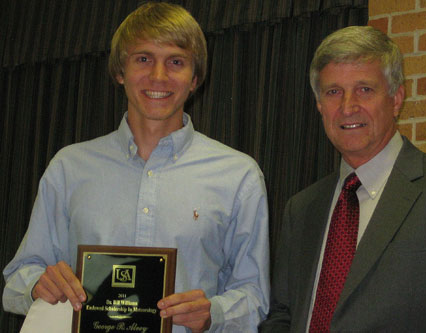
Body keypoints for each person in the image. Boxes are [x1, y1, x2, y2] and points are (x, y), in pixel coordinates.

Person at [3, 3, 269, 332]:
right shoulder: (69, 168)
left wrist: (214, 312)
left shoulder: (239, 176)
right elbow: (17, 279)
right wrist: (37, 285)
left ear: (195, 78)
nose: (158, 76)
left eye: (176, 61)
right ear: (120, 71)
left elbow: (256, 296)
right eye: (143, 59)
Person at [259, 25, 426, 332]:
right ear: (319, 105)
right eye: (334, 92)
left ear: (396, 99)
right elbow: (283, 314)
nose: (348, 107)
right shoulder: (302, 208)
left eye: (365, 89)